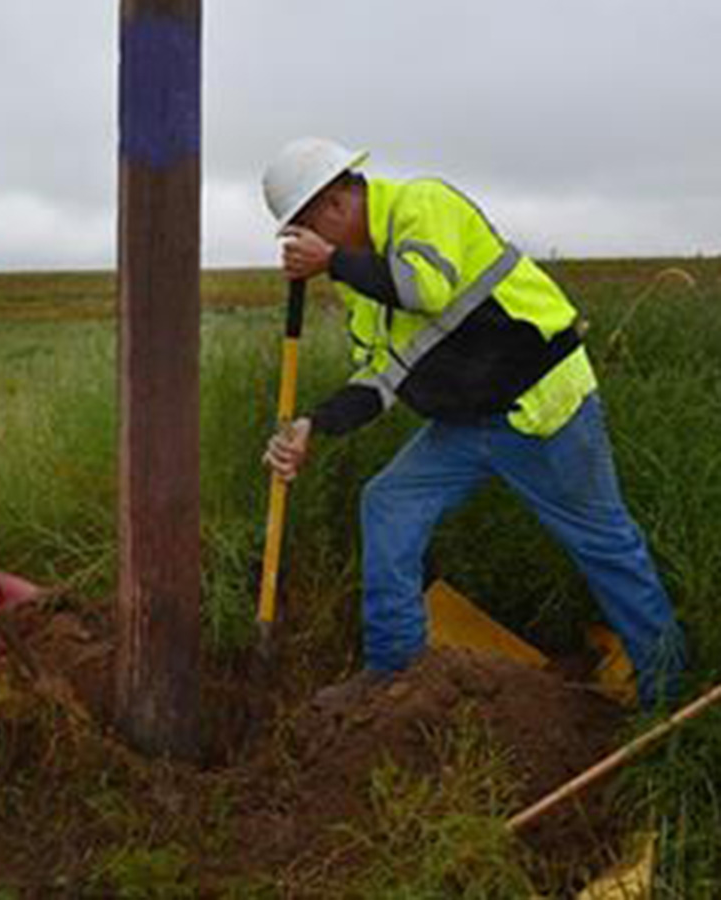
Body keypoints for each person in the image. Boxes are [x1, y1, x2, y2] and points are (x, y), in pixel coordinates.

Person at [259, 137, 685, 712]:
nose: (307, 246)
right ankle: (394, 674)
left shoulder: (421, 206)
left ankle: (667, 696)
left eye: (306, 232)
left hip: (542, 410)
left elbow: (425, 288)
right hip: (468, 424)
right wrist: (314, 424)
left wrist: (334, 262)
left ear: (333, 206)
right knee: (387, 502)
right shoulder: (360, 284)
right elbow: (382, 378)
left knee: (604, 544)